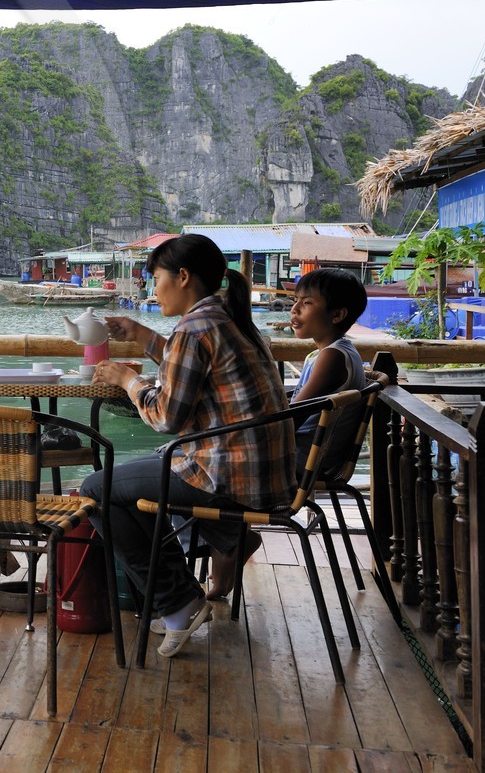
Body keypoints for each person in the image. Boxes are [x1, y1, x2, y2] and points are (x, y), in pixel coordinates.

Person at [79, 234, 290, 656]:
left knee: (96, 490)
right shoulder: (226, 318)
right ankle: (179, 595)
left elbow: (166, 418)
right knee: (127, 485)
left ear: (183, 277)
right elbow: (188, 365)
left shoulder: (195, 328)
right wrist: (141, 335)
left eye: (155, 278)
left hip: (227, 476)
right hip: (266, 474)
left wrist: (127, 380)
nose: (152, 289)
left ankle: (177, 603)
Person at [288, 267, 368, 476]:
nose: (294, 309)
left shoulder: (332, 357)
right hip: (307, 453)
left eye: (307, 303)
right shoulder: (326, 353)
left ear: (337, 315)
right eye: (295, 300)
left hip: (304, 459)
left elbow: (292, 419)